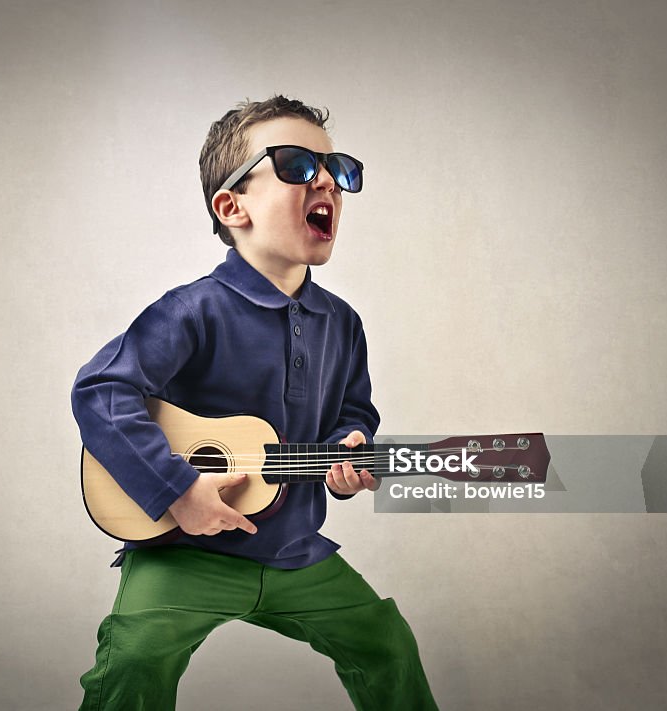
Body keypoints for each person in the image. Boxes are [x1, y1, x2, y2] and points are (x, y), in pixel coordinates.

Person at [72, 96, 438, 710]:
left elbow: (355, 414)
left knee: (388, 646)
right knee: (133, 663)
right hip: (186, 552)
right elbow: (102, 391)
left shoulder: (341, 324)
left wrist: (350, 455)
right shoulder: (192, 311)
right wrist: (178, 491)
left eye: (338, 168)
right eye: (296, 164)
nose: (326, 180)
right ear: (231, 205)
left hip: (295, 551)